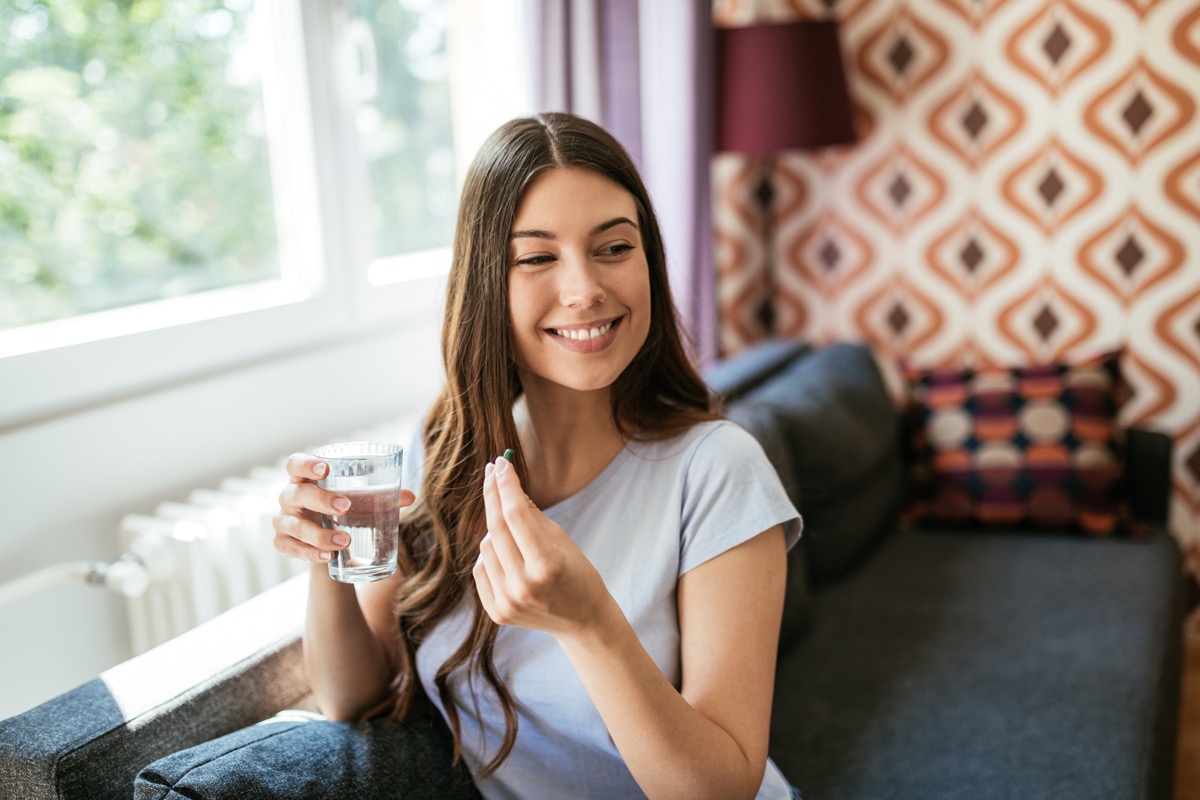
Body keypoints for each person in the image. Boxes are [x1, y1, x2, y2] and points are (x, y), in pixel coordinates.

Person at [273, 112, 803, 800]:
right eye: (537, 257)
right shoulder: (438, 456)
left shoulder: (717, 468)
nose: (585, 288)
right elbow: (351, 697)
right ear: (487, 282)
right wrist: (328, 563)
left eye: (614, 247)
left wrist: (590, 623)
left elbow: (723, 789)